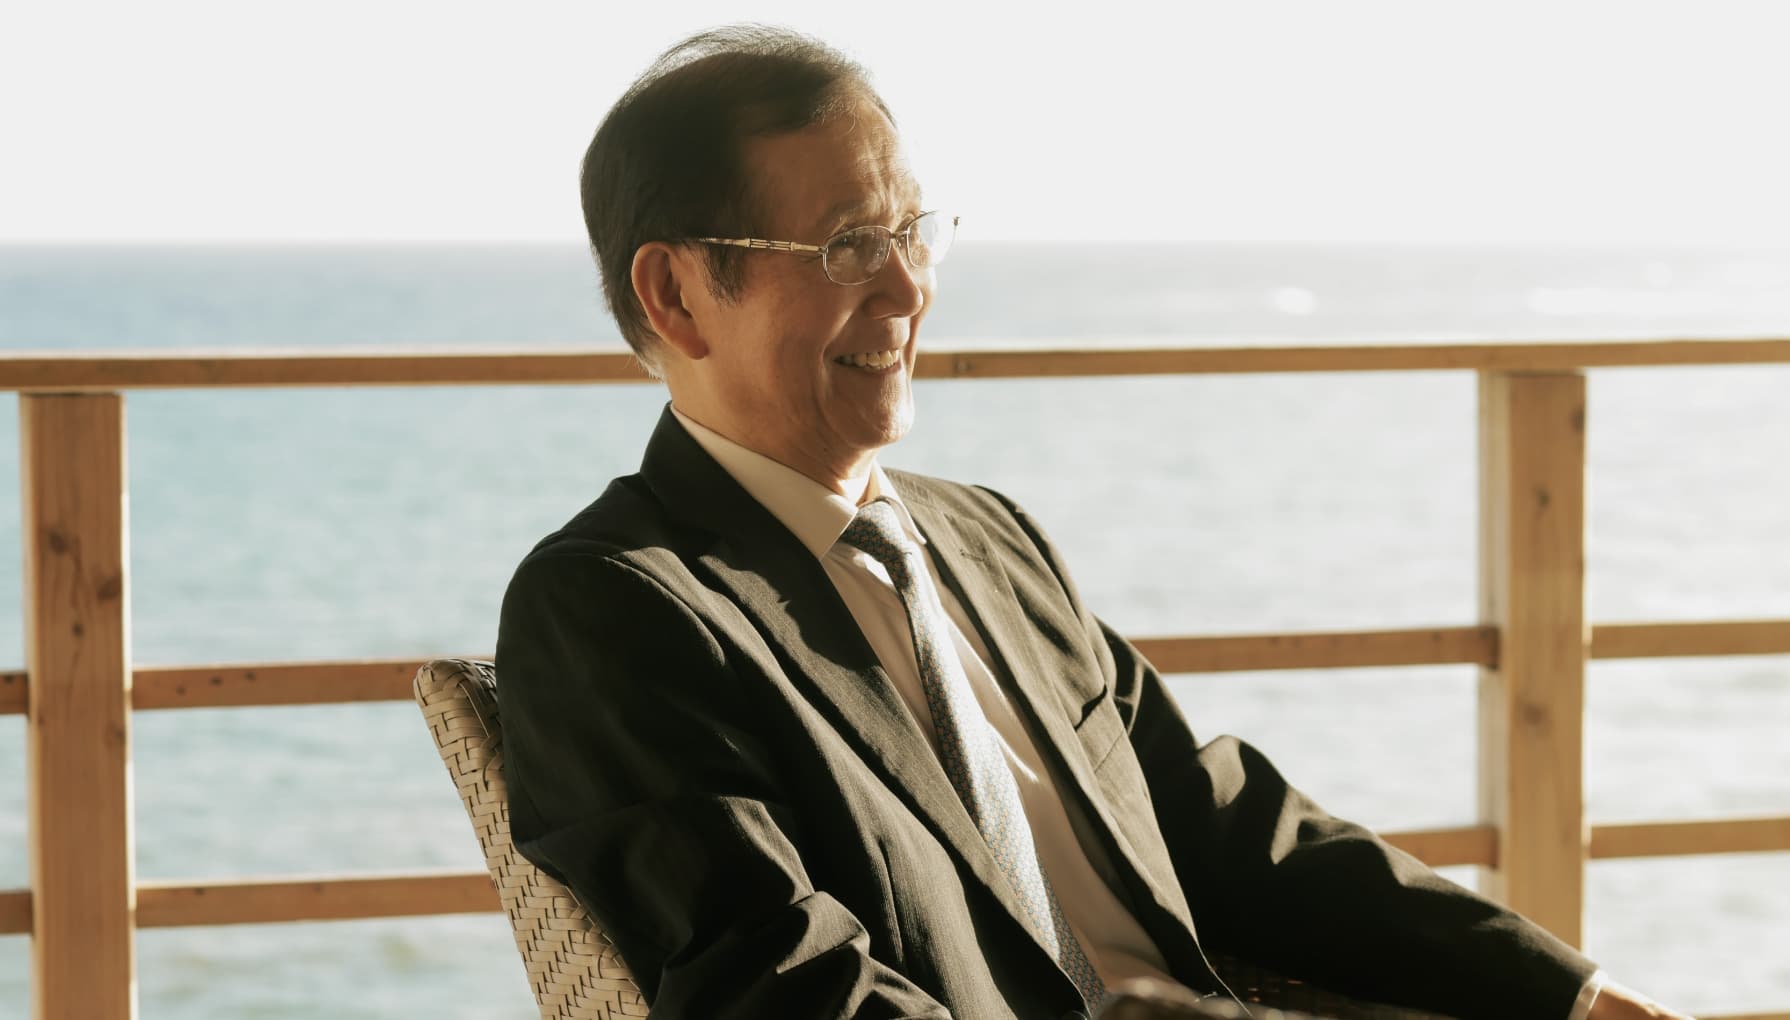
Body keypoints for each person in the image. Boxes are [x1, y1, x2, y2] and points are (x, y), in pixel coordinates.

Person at [495, 25, 1690, 1020]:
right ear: (675, 293)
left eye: (910, 233)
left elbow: (1222, 830)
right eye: (849, 245)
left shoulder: (986, 541)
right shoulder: (619, 607)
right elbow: (777, 986)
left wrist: (1566, 994)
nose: (908, 288)